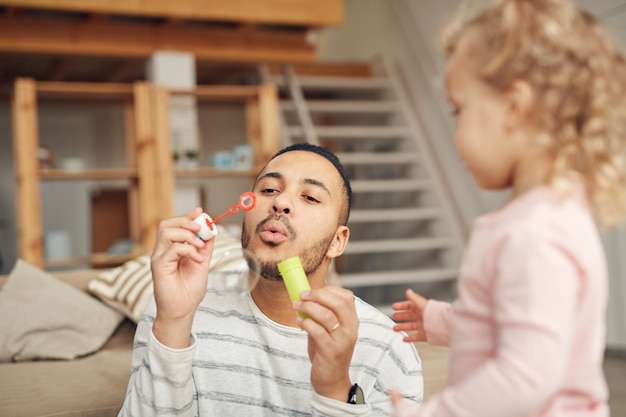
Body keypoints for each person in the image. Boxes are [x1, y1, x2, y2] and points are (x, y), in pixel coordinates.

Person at [390, 0, 626, 416]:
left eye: (459, 109)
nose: (456, 132)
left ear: (515, 107)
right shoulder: (543, 216)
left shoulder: (537, 233)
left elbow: (525, 377)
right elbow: (511, 322)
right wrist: (443, 322)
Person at [118, 143, 423, 416]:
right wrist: (173, 324)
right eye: (268, 190)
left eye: (310, 197)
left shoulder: (388, 349)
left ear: (337, 241)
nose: (281, 203)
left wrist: (334, 390)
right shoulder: (176, 307)